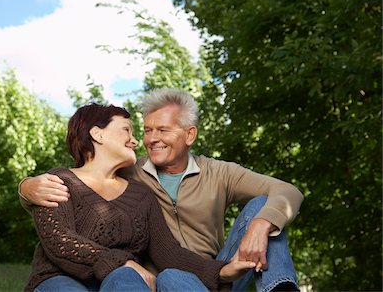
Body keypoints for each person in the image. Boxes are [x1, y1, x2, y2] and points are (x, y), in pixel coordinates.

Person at [20, 89, 304, 292]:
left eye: (163, 130)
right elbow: (63, 225)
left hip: (210, 272)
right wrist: (26, 187)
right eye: (143, 131)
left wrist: (262, 224)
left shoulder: (219, 173)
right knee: (167, 276)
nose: (145, 140)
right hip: (161, 280)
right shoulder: (123, 174)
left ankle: (280, 289)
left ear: (189, 134)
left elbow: (287, 192)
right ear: (98, 134)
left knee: (264, 208)